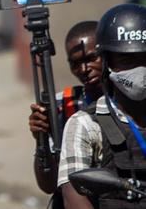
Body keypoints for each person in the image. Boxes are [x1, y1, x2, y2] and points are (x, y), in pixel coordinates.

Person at [58, 4, 146, 208]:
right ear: (107, 62)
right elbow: (74, 197)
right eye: (127, 59)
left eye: (145, 57)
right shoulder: (86, 125)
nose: (140, 69)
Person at [28, 21, 103, 204]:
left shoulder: (131, 98)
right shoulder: (63, 106)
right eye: (76, 63)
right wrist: (42, 140)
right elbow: (49, 186)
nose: (84, 70)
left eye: (92, 59)